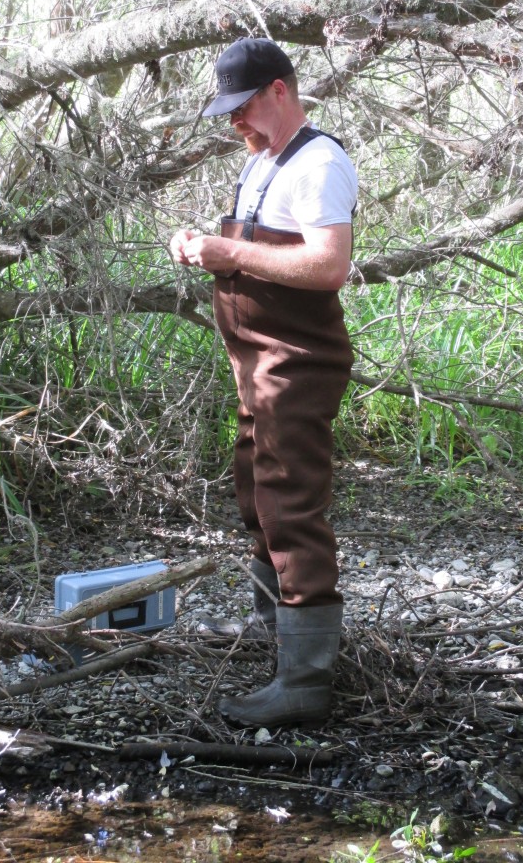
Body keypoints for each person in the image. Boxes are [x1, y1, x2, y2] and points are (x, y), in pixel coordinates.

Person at [170, 37, 357, 727]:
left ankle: (304, 681)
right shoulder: (263, 163)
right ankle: (272, 635)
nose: (234, 123)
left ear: (280, 90)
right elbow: (257, 255)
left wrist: (228, 252)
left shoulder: (320, 163)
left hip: (297, 363)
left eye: (243, 107)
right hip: (256, 362)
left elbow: (328, 266)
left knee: (289, 506)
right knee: (256, 491)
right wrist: (206, 249)